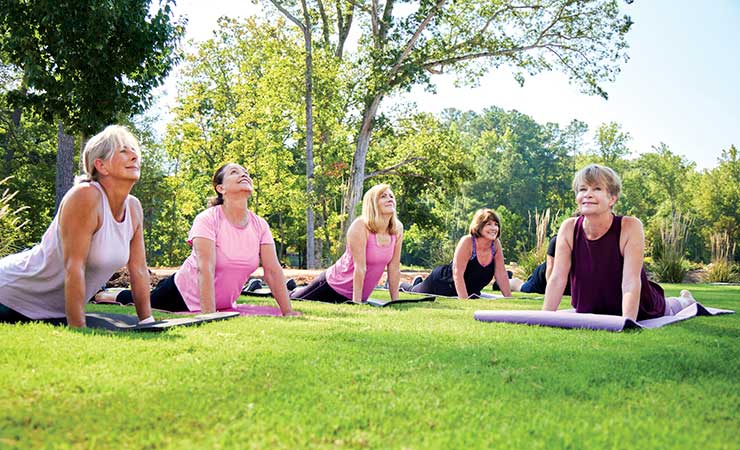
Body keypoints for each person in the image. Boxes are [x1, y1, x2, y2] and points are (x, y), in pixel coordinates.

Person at [96, 163, 298, 316]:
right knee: (142, 300)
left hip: (222, 302)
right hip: (181, 293)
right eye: (234, 172)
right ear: (221, 188)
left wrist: (288, 312)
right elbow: (205, 267)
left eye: (246, 172)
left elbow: (272, 270)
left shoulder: (260, 224)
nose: (244, 174)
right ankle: (107, 294)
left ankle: (114, 292)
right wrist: (209, 316)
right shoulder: (207, 219)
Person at [0, 125, 153, 328]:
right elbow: (74, 266)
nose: (134, 156)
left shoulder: (133, 208)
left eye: (134, 151)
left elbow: (139, 269)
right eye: (124, 151)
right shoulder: (85, 195)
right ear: (101, 165)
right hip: (9, 293)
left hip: (51, 313)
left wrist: (148, 322)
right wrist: (79, 330)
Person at [543, 164, 695, 321]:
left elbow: (631, 281)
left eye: (596, 189)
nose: (587, 194)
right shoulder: (568, 228)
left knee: (672, 306)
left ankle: (686, 300)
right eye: (582, 189)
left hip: (642, 309)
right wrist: (543, 318)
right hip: (590, 308)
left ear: (612, 199)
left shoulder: (630, 226)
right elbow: (557, 278)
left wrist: (627, 322)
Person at [291, 184, 403, 304]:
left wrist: (395, 302)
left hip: (357, 294)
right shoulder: (360, 226)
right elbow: (360, 267)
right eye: (383, 196)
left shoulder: (397, 229)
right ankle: (290, 289)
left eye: (391, 196)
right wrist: (356, 302)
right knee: (294, 298)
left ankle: (294, 288)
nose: (390, 198)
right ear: (373, 204)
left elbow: (394, 268)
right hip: (332, 286)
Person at [400, 208, 512, 299]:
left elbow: (501, 273)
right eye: (488, 224)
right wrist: (464, 300)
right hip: (442, 283)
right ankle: (402, 285)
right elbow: (458, 273)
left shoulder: (495, 245)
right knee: (414, 291)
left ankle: (418, 282)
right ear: (479, 226)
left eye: (496, 224)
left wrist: (509, 298)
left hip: (469, 290)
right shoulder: (468, 241)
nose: (494, 228)